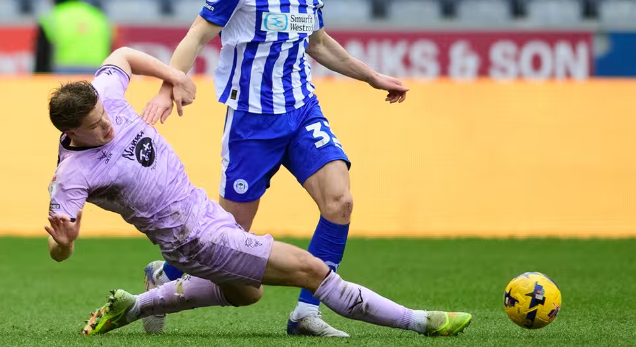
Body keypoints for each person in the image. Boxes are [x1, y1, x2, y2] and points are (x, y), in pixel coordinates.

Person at [44, 47, 472, 338]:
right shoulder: (72, 176)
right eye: (96, 126)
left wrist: (173, 77)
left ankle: (135, 305)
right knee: (310, 270)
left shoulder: (103, 94)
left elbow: (122, 55)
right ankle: (421, 322)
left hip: (206, 211)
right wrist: (64, 243)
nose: (108, 124)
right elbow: (58, 250)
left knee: (247, 293)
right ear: (72, 133)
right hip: (194, 238)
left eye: (104, 114)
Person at [140, 0, 409, 337]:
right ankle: (164, 275)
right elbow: (196, 36)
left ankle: (306, 312)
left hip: (302, 111)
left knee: (340, 201)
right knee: (226, 239)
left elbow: (317, 43)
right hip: (251, 122)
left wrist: (371, 77)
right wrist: (168, 87)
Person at [33, 0, 113, 74]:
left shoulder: (51, 18)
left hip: (62, 75)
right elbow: (112, 51)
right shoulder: (99, 17)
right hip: (97, 74)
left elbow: (42, 60)